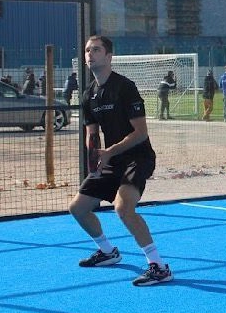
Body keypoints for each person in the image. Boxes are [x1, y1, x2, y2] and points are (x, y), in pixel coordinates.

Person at [68, 35, 172, 286]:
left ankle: (158, 266)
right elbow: (91, 134)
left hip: (138, 156)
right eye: (87, 50)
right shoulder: (88, 96)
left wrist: (109, 152)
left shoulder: (125, 87)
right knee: (78, 208)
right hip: (111, 160)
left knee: (123, 208)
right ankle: (107, 251)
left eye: (96, 49)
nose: (90, 54)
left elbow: (141, 133)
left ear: (109, 56)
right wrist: (95, 156)